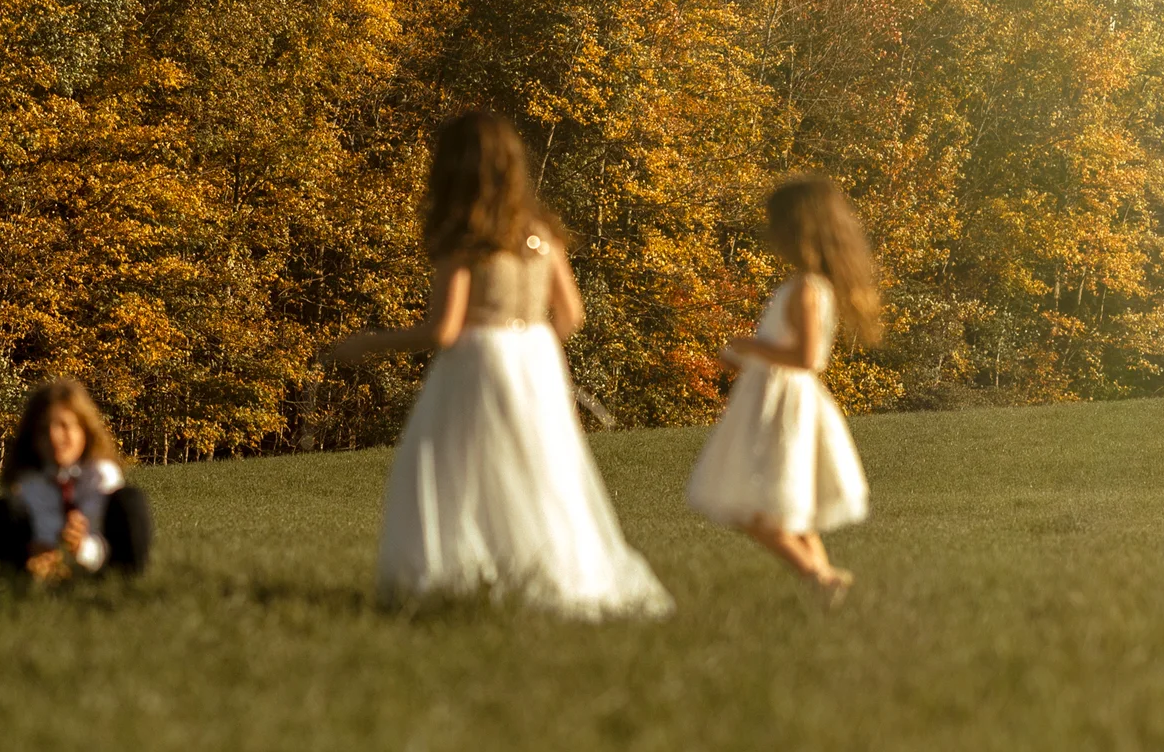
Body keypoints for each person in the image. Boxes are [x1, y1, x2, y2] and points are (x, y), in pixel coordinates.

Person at [325, 110, 672, 618]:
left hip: (477, 362)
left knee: (451, 468)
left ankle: (446, 583)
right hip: (536, 358)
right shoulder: (542, 235)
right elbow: (571, 315)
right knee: (541, 468)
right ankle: (560, 579)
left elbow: (443, 329)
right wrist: (531, 347)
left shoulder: (465, 240)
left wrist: (365, 344)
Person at [685, 174, 881, 604]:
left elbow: (807, 357)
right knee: (786, 506)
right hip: (772, 399)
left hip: (784, 405)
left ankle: (820, 578)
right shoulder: (805, 286)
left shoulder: (806, 290)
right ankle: (826, 583)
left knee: (756, 509)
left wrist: (746, 346)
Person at [0, 378, 151, 582]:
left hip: (102, 561)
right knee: (1, 511)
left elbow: (102, 534)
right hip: (42, 562)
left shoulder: (100, 474)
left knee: (130, 501)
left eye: (64, 426)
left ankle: (128, 582)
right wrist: (42, 551)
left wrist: (80, 547)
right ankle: (18, 581)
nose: (54, 437)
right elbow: (38, 525)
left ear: (84, 429)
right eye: (44, 429)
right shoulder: (28, 480)